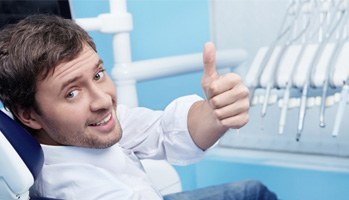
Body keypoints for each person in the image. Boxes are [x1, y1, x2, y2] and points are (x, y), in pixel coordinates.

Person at [0, 15, 277, 200]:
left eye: (98, 75)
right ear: (28, 115)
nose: (103, 100)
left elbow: (162, 130)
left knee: (251, 190)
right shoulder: (79, 188)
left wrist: (215, 114)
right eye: (72, 93)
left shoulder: (84, 127)